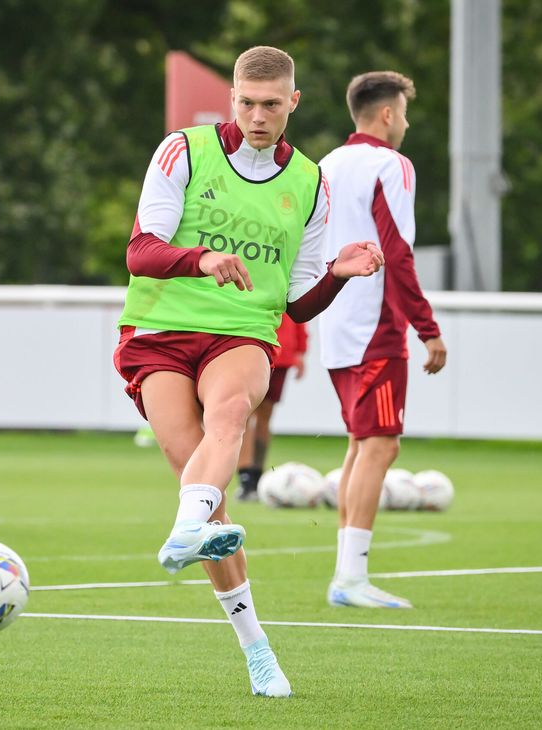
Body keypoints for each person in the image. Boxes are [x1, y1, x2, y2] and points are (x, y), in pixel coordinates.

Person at [114, 46, 384, 697]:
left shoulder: (310, 183)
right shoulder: (182, 150)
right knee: (208, 495)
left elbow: (296, 299)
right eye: (246, 102)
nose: (257, 115)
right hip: (158, 335)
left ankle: (185, 531)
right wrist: (202, 258)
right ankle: (256, 646)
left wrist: (338, 278)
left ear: (292, 102)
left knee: (233, 414)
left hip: (241, 334)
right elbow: (142, 250)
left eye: (271, 104)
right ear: (232, 98)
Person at [318, 71, 447, 608]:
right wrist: (428, 329)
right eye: (405, 113)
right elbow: (396, 252)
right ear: (388, 114)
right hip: (375, 326)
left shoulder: (324, 164)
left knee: (360, 446)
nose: (407, 123)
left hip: (333, 320)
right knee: (381, 445)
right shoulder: (390, 165)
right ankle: (350, 578)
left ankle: (347, 574)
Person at [235, 313, 308, 501]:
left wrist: (299, 349)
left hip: (264, 347)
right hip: (268, 347)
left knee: (249, 416)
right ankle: (252, 477)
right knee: (255, 417)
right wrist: (299, 349)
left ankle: (249, 479)